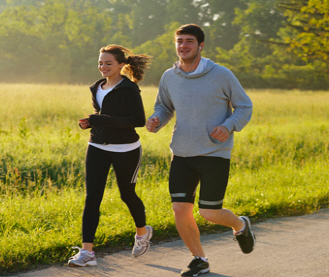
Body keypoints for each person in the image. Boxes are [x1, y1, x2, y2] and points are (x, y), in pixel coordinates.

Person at [146, 24, 255, 276]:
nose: (183, 46)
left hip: (214, 153)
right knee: (180, 209)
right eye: (180, 41)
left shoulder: (221, 74)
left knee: (209, 212)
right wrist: (156, 120)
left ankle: (240, 225)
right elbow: (164, 107)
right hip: (182, 153)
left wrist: (228, 126)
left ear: (200, 46)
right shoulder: (169, 76)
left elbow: (244, 106)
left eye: (189, 41)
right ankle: (199, 259)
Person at [68, 45, 153, 267]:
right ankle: (87, 252)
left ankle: (142, 233)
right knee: (92, 197)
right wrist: (91, 123)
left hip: (126, 149)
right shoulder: (97, 87)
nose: (103, 67)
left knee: (127, 194)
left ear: (121, 65)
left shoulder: (129, 88)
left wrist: (101, 119)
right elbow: (102, 116)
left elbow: (137, 120)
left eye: (108, 63)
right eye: (100, 63)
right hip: (97, 146)